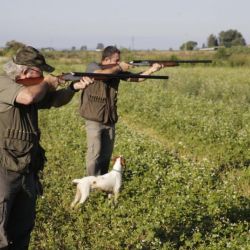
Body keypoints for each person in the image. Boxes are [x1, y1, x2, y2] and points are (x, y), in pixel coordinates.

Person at [0, 46, 93, 249]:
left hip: (26, 169)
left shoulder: (32, 87)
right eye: (39, 72)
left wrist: (72, 88)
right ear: (24, 71)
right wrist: (46, 82)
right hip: (3, 171)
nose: (43, 75)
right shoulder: (4, 83)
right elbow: (28, 97)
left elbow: (54, 100)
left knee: (22, 231)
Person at [79, 46, 163, 176]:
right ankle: (91, 182)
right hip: (94, 118)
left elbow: (137, 78)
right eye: (116, 60)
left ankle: (102, 182)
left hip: (109, 118)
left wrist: (152, 69)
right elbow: (100, 75)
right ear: (106, 59)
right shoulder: (93, 66)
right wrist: (119, 67)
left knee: (106, 155)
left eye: (119, 60)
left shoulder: (115, 71)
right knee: (94, 154)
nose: (119, 62)